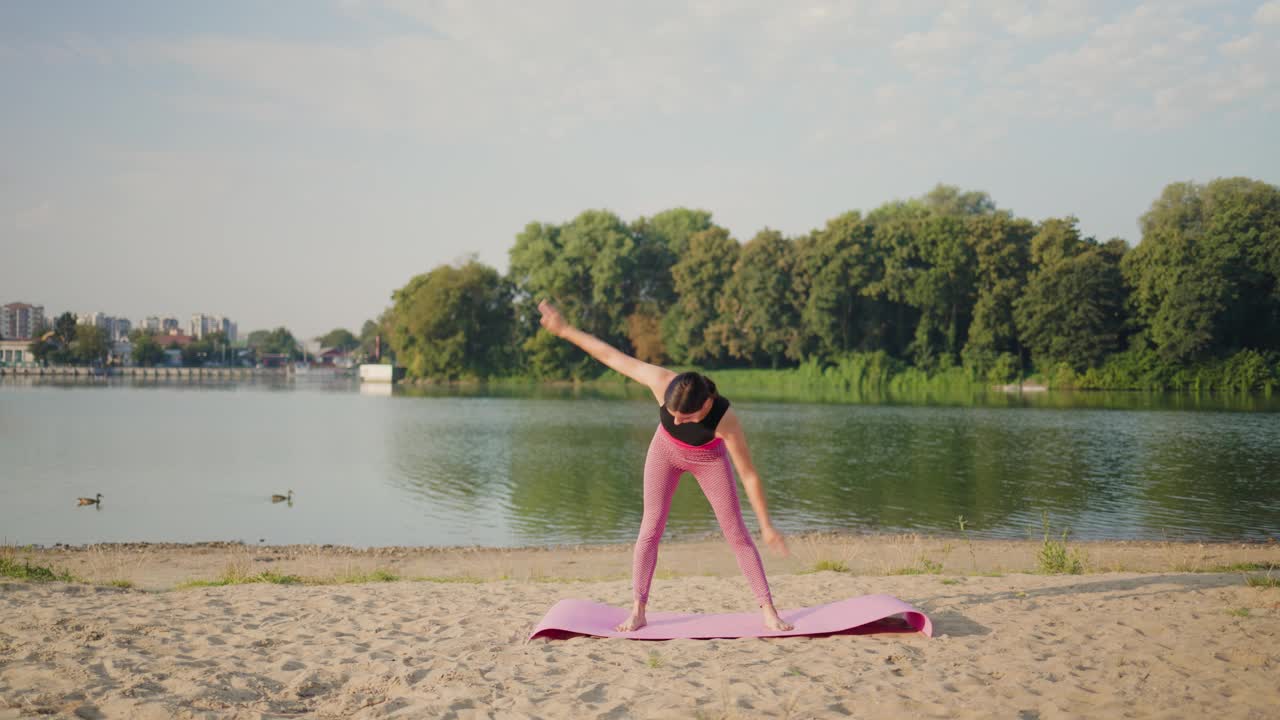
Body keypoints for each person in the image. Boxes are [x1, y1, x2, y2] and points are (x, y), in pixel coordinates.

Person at [537, 300, 794, 632]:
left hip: (709, 460)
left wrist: (768, 525)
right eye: (671, 412)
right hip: (665, 452)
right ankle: (638, 610)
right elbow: (611, 356)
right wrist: (565, 329)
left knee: (736, 534)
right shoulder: (660, 380)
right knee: (650, 529)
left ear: (705, 405)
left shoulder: (725, 419)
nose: (675, 418)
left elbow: (749, 474)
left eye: (684, 416)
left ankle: (768, 610)